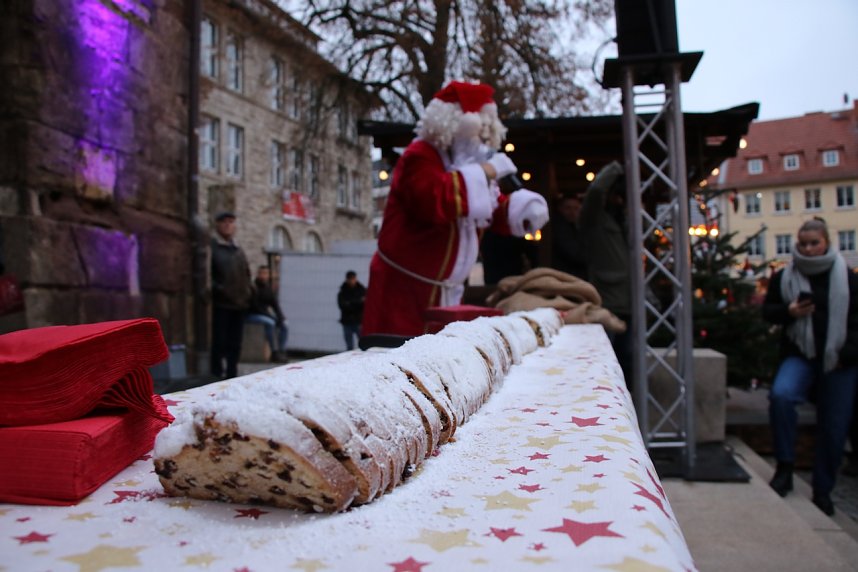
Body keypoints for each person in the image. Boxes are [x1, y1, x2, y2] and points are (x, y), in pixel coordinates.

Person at [361, 80, 549, 337]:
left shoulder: (466, 165)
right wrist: (488, 170)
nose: (482, 138)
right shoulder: (419, 155)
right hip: (404, 293)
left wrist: (519, 209)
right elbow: (434, 199)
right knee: (399, 363)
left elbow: (485, 210)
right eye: (477, 130)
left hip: (446, 292)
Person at [763, 217, 858, 516]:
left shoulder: (847, 277)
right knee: (781, 395)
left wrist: (847, 352)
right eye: (803, 244)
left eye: (814, 243)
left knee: (834, 425)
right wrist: (789, 312)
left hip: (840, 360)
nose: (808, 249)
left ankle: (823, 490)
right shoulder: (785, 277)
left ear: (826, 243)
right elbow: (769, 312)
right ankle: (785, 467)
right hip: (800, 354)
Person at [578, 161, 633, 386]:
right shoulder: (594, 219)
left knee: (628, 362)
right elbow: (596, 192)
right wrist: (617, 167)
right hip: (607, 299)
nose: (619, 201)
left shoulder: (624, 221)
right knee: (607, 363)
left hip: (628, 301)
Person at [210, 211, 253, 379]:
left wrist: (248, 292)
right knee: (219, 342)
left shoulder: (238, 250)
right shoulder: (213, 248)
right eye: (224, 222)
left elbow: (247, 274)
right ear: (218, 225)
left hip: (240, 303)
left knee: (235, 344)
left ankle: (232, 373)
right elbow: (208, 275)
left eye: (231, 222)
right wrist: (220, 289)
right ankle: (216, 374)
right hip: (222, 303)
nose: (228, 225)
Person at [246, 265, 288, 362]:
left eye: (265, 273)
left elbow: (275, 304)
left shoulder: (268, 288)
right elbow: (254, 307)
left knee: (285, 325)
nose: (263, 276)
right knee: (270, 323)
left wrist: (280, 317)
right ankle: (274, 351)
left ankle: (282, 351)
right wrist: (270, 316)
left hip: (264, 314)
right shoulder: (254, 287)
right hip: (252, 314)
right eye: (261, 273)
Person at [551, 191, 588, 279]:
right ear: (560, 208)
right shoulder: (560, 228)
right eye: (568, 208)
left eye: (576, 208)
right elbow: (576, 255)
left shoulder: (575, 226)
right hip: (567, 277)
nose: (572, 212)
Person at [338, 270, 366, 350]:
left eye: (353, 278)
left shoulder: (361, 290)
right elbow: (343, 306)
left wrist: (350, 303)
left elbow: (364, 305)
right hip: (347, 322)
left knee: (363, 345)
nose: (351, 281)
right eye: (349, 279)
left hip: (358, 321)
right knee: (349, 346)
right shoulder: (342, 292)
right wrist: (357, 302)